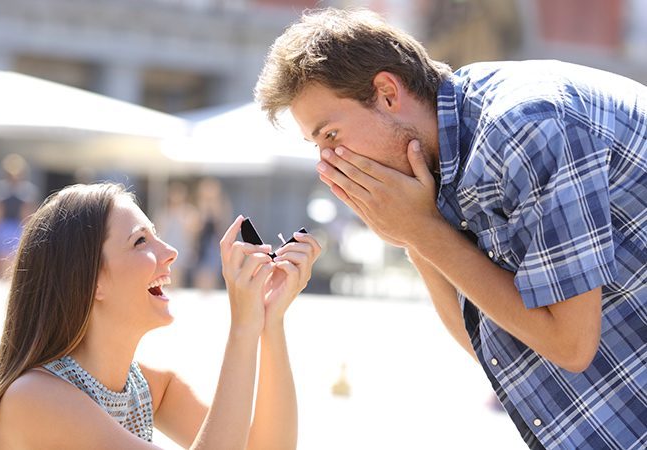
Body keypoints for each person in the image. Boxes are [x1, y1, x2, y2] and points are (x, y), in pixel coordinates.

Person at [255, 8, 645, 449]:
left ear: (386, 93)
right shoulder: (448, 157)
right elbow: (498, 350)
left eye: (331, 136)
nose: (328, 163)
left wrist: (422, 231)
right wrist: (412, 235)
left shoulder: (524, 126)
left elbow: (571, 345)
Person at [0, 182, 321, 450]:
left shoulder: (147, 389)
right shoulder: (34, 398)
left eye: (157, 236)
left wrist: (269, 321)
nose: (169, 252)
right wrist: (242, 327)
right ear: (91, 279)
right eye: (140, 242)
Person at [0, 153, 39, 279]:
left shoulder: (27, 190)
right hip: (2, 227)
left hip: (18, 227)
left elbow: (29, 212)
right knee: (0, 260)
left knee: (15, 261)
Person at [154, 182, 199, 288]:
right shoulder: (164, 211)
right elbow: (158, 229)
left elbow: (194, 231)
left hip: (183, 248)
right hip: (168, 245)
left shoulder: (189, 211)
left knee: (178, 276)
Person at [192, 177, 232, 293]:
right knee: (200, 273)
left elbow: (223, 224)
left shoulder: (222, 205)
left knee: (211, 271)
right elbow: (197, 225)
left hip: (213, 243)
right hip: (202, 242)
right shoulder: (199, 204)